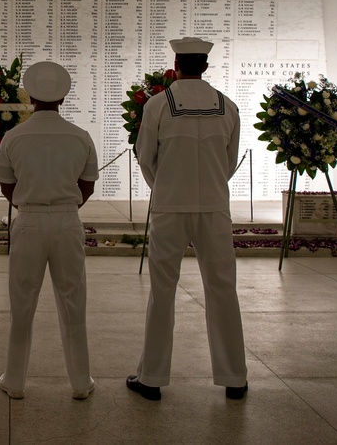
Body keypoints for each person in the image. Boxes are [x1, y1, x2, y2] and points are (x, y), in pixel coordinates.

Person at [127, 37, 249, 401]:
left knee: (162, 291)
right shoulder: (227, 106)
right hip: (214, 208)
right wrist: (209, 188)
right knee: (223, 288)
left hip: (170, 207)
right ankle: (234, 378)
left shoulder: (158, 105)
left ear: (175, 64)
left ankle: (152, 379)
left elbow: (145, 155)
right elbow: (229, 162)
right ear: (206, 67)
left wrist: (164, 187)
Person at [0, 61, 99, 401]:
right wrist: (65, 206)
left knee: (22, 303)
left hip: (28, 222)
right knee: (73, 303)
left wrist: (31, 205)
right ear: (63, 99)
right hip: (68, 221)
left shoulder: (14, 137)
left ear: (30, 98)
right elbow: (87, 186)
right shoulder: (80, 137)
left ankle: (15, 379)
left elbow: (7, 186)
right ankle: (81, 381)